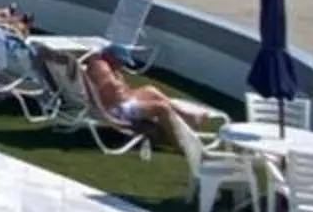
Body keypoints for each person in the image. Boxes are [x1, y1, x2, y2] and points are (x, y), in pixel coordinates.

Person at [79, 51, 219, 155]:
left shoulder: (107, 67)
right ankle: (179, 146)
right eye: (121, 61)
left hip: (117, 104)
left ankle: (187, 117)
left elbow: (120, 91)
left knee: (150, 90)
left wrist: (124, 89)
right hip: (114, 111)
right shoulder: (103, 71)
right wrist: (123, 90)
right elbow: (112, 97)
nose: (122, 65)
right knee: (161, 108)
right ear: (113, 57)